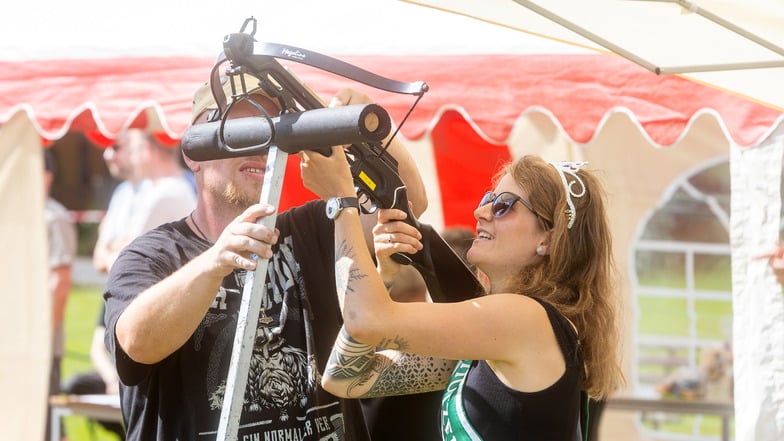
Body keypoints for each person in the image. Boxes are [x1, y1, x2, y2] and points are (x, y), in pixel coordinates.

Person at [102, 73, 427, 441]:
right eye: (243, 133)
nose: (261, 148)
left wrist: (370, 126)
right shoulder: (152, 255)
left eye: (274, 133)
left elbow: (408, 203)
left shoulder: (315, 227)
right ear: (195, 154)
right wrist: (215, 262)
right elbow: (135, 345)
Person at [308, 153, 624, 440]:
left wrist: (343, 204)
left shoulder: (524, 318)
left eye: (504, 204)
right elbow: (344, 378)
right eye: (489, 198)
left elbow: (366, 321)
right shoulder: (500, 336)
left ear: (548, 239)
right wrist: (385, 276)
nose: (480, 211)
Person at [93, 128, 196, 273]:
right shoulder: (158, 189)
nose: (132, 157)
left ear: (146, 150)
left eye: (133, 150)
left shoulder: (166, 192)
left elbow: (123, 261)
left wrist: (112, 246)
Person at [43, 149, 78, 441]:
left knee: (47, 423)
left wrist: (43, 338)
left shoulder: (52, 217)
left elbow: (61, 281)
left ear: (46, 176)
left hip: (41, 345)